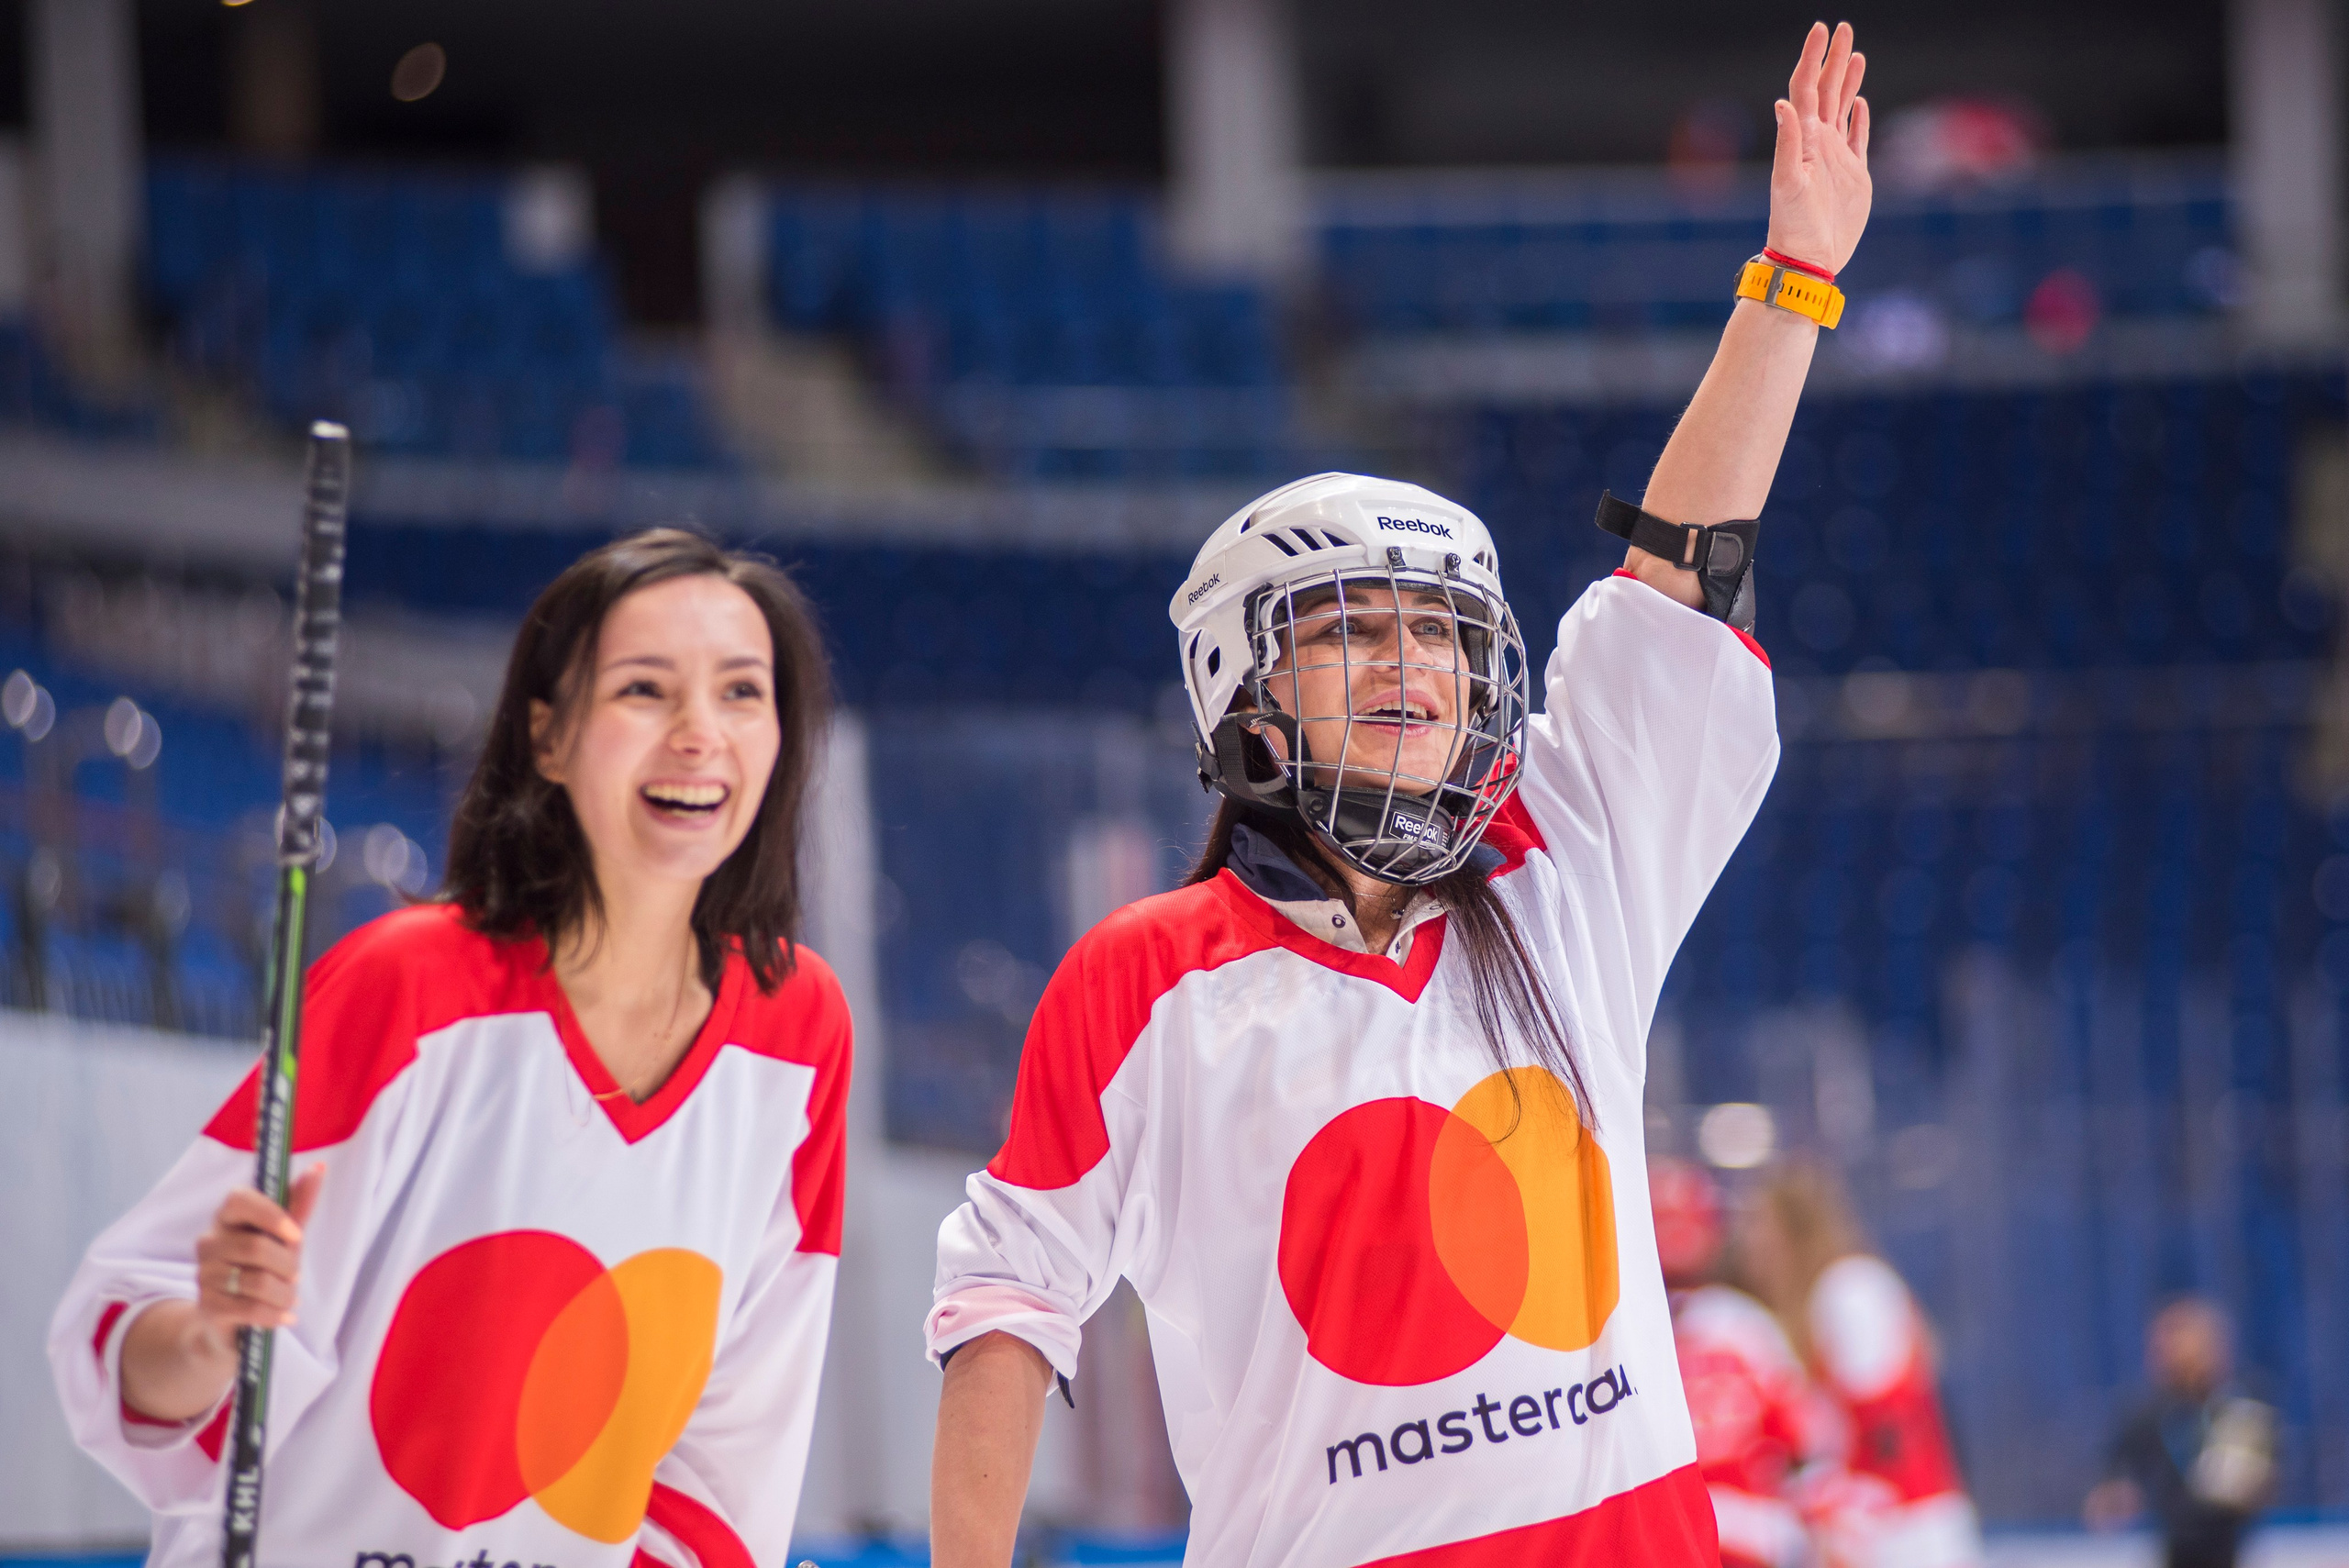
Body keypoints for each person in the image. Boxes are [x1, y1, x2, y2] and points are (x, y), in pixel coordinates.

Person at [925, 22, 1875, 1565]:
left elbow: (1674, 579)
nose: (1410, 662)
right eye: (1352, 627)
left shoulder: (1570, 868)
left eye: (1440, 631)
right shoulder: (1144, 981)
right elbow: (1007, 1294)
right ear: (1242, 687)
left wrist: (1791, 283)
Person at [50, 529, 852, 1568]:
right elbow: (123, 1338)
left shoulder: (799, 1029)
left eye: (742, 692)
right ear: (548, 737)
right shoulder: (407, 985)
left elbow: (732, 1453)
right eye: (645, 690)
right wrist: (207, 1335)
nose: (701, 733)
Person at [1742, 1157, 1982, 1568]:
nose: (1748, 1242)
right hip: (1882, 1530)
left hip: (1910, 1531)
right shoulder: (1815, 1304)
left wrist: (1837, 1502)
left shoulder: (1849, 1291)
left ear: (1795, 1232)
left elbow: (1887, 1432)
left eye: (1759, 1225)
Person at [1654, 1159, 1843, 1568]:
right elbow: (1814, 1444)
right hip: (1745, 1535)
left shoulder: (1623, 1333)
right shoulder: (1743, 1322)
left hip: (1684, 1536)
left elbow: (1813, 1444)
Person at [2084, 1297, 2277, 1568]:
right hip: (2172, 1546)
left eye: (2175, 1342)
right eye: (2158, 1345)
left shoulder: (2241, 1408)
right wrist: (2114, 1496)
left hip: (2229, 1548)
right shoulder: (2148, 1414)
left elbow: (2260, 1483)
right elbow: (2116, 1476)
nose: (2162, 1353)